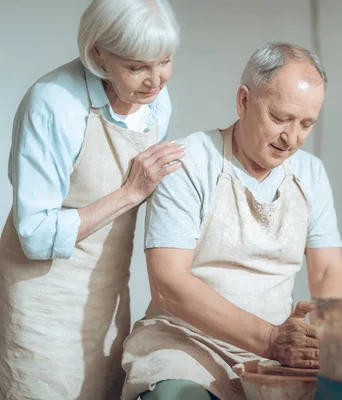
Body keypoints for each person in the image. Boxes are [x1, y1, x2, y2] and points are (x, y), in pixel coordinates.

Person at [120, 42, 342, 400]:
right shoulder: (189, 162)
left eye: (306, 124)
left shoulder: (311, 174)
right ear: (244, 101)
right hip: (188, 345)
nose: (291, 138)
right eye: (280, 118)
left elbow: (328, 272)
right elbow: (168, 283)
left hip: (275, 357)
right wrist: (270, 339)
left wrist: (322, 332)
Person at [0, 1, 182, 399]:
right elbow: (35, 234)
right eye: (136, 67)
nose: (155, 81)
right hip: (42, 300)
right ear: (97, 53)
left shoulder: (155, 104)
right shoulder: (53, 104)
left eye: (164, 61)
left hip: (107, 293)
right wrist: (131, 192)